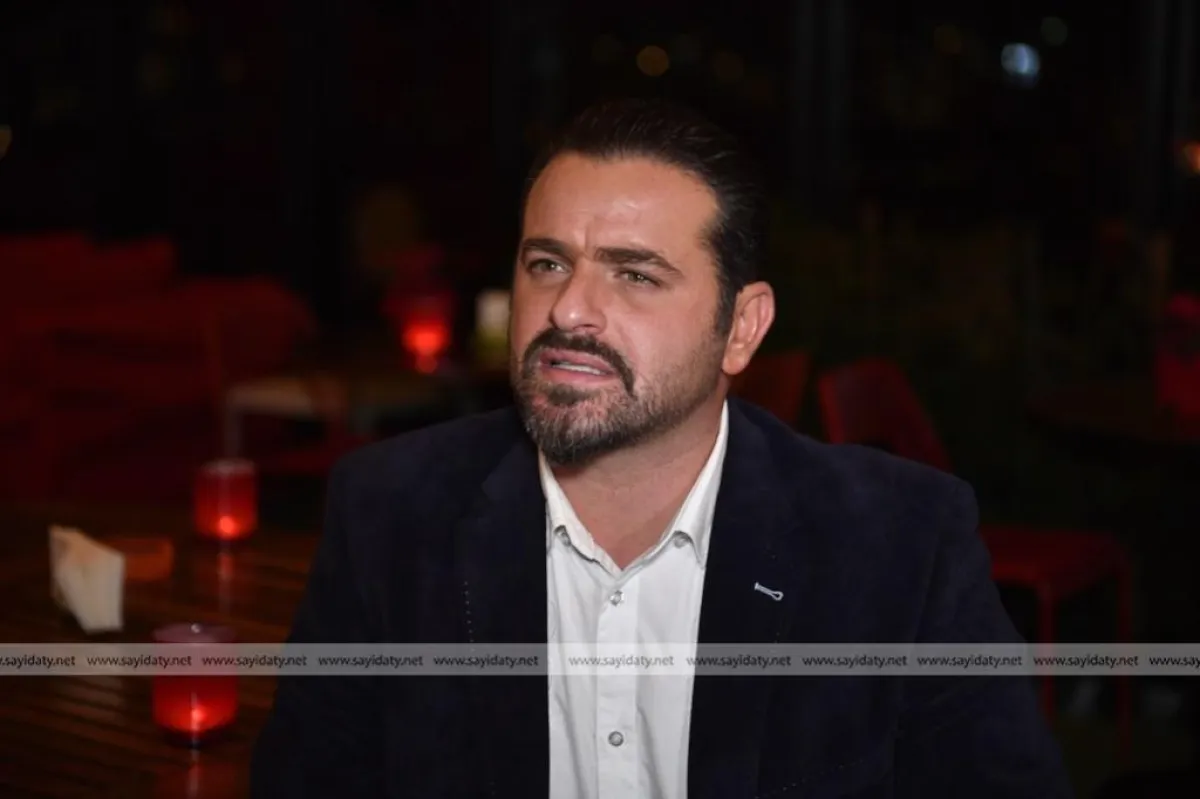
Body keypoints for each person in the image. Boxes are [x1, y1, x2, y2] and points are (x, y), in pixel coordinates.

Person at [251, 98, 1071, 798]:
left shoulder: (901, 541)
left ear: (741, 327)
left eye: (635, 274)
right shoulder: (391, 511)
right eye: (548, 263)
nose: (569, 309)